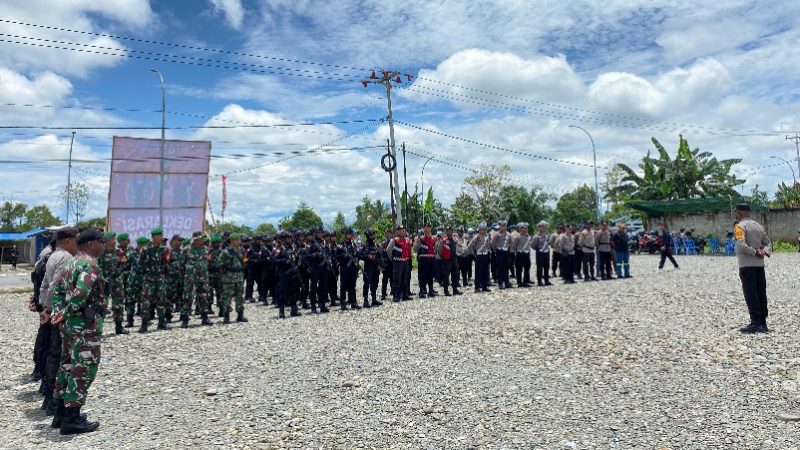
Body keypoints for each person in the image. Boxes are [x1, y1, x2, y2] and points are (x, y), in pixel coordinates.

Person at [50, 229, 107, 434]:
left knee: (67, 365)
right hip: (84, 326)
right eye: (101, 242)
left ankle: (60, 413)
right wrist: (66, 312)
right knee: (83, 368)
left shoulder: (71, 263)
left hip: (70, 326)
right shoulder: (89, 265)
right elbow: (81, 292)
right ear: (91, 244)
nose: (104, 246)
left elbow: (57, 292)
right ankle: (72, 418)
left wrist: (58, 313)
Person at [37, 227, 78, 417]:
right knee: (60, 356)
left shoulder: (53, 255)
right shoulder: (66, 258)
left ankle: (49, 397)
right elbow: (55, 286)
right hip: (60, 312)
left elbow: (44, 285)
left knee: (54, 353)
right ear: (69, 240)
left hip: (53, 311)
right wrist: (49, 309)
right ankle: (54, 401)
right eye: (76, 240)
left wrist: (44, 306)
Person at [733, 204, 771, 334]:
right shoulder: (758, 226)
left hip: (747, 264)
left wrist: (754, 252)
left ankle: (755, 322)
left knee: (750, 293)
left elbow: (741, 244)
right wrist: (764, 251)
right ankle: (763, 322)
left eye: (736, 212)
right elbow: (768, 242)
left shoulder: (739, 226)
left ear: (740, 212)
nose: (735, 214)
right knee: (761, 292)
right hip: (759, 265)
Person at [181, 232, 214, 327]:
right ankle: (185, 319)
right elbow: (181, 263)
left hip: (203, 277)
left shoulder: (206, 249)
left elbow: (207, 261)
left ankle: (205, 318)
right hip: (190, 278)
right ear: (195, 239)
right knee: (188, 297)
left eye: (202, 238)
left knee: (203, 296)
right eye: (199, 238)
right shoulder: (186, 250)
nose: (201, 240)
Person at [98, 232, 127, 335]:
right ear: (106, 241)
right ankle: (98, 329)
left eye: (115, 239)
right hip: (105, 282)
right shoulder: (101, 253)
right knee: (102, 305)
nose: (114, 241)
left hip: (117, 282)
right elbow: (99, 267)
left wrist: (117, 274)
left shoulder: (120, 252)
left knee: (119, 304)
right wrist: (103, 278)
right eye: (112, 239)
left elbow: (123, 264)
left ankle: (119, 327)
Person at [140, 228, 169, 332]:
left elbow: (166, 263)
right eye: (159, 236)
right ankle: (144, 324)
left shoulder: (164, 249)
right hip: (148, 279)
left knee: (161, 300)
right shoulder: (145, 250)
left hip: (160, 278)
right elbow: (141, 264)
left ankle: (161, 322)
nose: (161, 237)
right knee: (146, 301)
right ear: (153, 237)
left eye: (161, 235)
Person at [218, 233, 247, 323]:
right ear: (232, 241)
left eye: (239, 240)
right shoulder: (226, 252)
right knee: (227, 297)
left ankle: (240, 315)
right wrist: (226, 268)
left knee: (239, 296)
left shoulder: (241, 250)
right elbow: (219, 264)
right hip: (228, 277)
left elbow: (245, 260)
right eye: (237, 240)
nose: (239, 241)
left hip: (239, 276)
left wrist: (244, 264)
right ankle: (226, 316)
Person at [336, 228, 360, 310]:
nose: (350, 236)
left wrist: (356, 259)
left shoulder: (353, 244)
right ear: (345, 235)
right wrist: (343, 256)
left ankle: (353, 302)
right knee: (343, 286)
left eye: (350, 234)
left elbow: (357, 253)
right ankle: (343, 303)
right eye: (348, 234)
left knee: (352, 285)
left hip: (353, 268)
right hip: (344, 267)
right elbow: (337, 256)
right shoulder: (341, 245)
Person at [386, 225, 412, 302]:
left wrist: (409, 258)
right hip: (397, 262)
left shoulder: (407, 240)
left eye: (403, 230)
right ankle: (395, 295)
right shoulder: (394, 240)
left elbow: (409, 251)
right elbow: (388, 250)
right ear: (397, 231)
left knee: (405, 278)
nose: (403, 231)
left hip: (405, 261)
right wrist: (393, 259)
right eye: (401, 230)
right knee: (397, 279)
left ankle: (405, 294)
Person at [359, 229, 383, 307]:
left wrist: (380, 264)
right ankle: (365, 300)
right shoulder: (365, 246)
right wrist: (368, 256)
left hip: (376, 267)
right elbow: (360, 256)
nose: (373, 236)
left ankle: (374, 299)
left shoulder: (376, 245)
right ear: (368, 236)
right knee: (367, 283)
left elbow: (380, 255)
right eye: (371, 235)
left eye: (373, 235)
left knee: (375, 282)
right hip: (368, 267)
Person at [435, 225, 462, 296]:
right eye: (447, 230)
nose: (449, 232)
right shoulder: (443, 240)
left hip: (454, 259)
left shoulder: (454, 239)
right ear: (446, 232)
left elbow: (458, 246)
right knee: (446, 276)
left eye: (450, 230)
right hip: (446, 260)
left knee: (455, 275)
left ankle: (455, 289)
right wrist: (443, 257)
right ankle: (446, 291)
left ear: (452, 231)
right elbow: (439, 250)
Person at [413, 224, 438, 298]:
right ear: (423, 229)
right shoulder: (420, 239)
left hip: (431, 259)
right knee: (422, 276)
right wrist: (416, 242)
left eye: (428, 228)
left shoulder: (433, 239)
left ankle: (431, 290)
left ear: (430, 229)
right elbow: (415, 249)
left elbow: (436, 249)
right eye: (425, 228)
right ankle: (422, 291)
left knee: (431, 275)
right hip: (423, 259)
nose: (427, 230)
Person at [467, 224, 492, 293]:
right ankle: (477, 287)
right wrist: (473, 254)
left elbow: (489, 245)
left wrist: (489, 253)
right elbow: (470, 246)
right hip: (479, 255)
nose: (483, 230)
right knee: (478, 272)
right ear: (479, 230)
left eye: (484, 229)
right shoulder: (476, 237)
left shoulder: (487, 237)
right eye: (481, 229)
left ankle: (484, 287)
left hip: (485, 255)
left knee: (485, 271)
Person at [490, 221, 512, 289]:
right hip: (499, 251)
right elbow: (493, 243)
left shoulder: (508, 234)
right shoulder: (497, 234)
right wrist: (495, 250)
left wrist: (509, 248)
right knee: (499, 268)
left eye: (504, 226)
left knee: (506, 267)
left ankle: (506, 282)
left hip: (506, 251)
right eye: (502, 226)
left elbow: (511, 242)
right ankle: (500, 283)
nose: (503, 227)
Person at [531, 221, 552, 287]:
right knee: (539, 267)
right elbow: (532, 245)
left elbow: (549, 243)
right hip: (540, 253)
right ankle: (539, 281)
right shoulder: (536, 236)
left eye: (543, 226)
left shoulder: (547, 235)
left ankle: (546, 280)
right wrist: (538, 249)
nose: (542, 228)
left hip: (546, 252)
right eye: (540, 226)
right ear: (538, 228)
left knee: (546, 267)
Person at [513, 223, 533, 288]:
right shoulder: (518, 236)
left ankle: (526, 282)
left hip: (526, 253)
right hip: (520, 253)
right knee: (519, 269)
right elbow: (514, 245)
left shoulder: (528, 236)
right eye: (523, 228)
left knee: (527, 268)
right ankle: (519, 282)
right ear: (520, 229)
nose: (525, 229)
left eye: (526, 228)